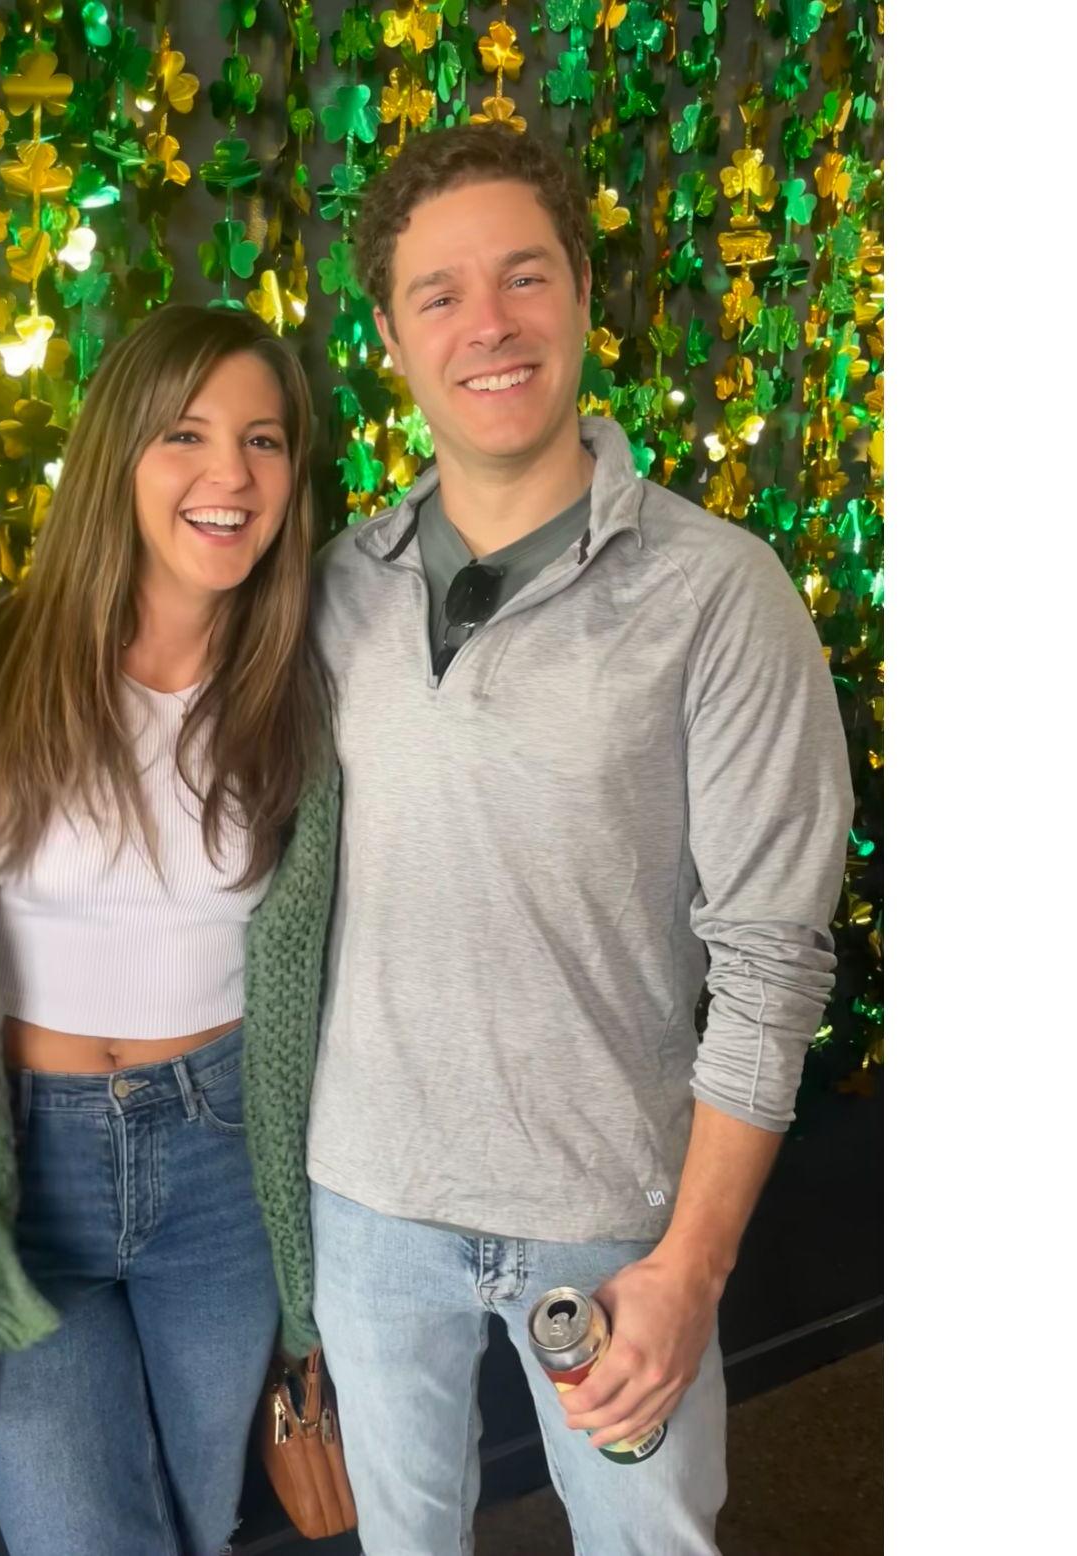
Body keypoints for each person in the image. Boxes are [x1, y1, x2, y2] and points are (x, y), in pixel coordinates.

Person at [306, 123, 853, 1555]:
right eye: (439, 293)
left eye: (523, 276)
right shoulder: (333, 588)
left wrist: (693, 1265)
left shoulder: (718, 593)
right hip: (366, 1207)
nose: (487, 323)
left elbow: (773, 956)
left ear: (582, 297)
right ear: (391, 337)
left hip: (610, 1218)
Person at [0, 303, 339, 1556]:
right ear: (117, 458)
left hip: (223, 1164)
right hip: (26, 1170)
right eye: (184, 434)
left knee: (195, 1524)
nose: (228, 473)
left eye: (261, 440)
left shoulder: (293, 687)